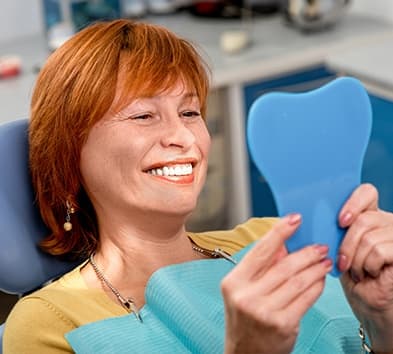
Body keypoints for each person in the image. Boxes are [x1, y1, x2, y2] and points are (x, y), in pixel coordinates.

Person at [3, 19, 393, 354]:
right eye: (143, 115)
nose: (183, 137)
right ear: (71, 156)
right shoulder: (49, 324)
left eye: (190, 112)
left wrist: (383, 327)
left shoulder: (276, 240)